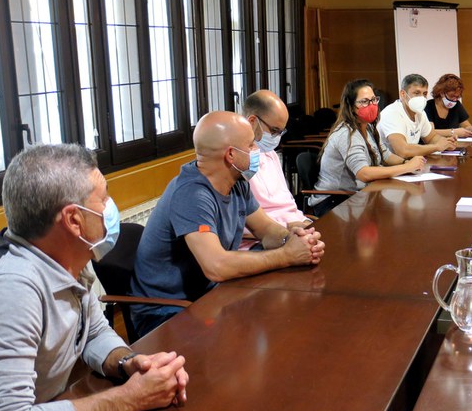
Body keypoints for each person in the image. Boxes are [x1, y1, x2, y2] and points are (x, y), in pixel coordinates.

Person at [0, 144, 189, 411]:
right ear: (73, 220)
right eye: (103, 198)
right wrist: (130, 399)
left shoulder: (64, 258)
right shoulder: (14, 286)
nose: (110, 207)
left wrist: (129, 364)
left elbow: (92, 332)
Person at [131, 111, 324, 336]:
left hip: (208, 296)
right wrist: (287, 255)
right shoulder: (192, 195)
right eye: (251, 145)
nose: (257, 150)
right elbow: (216, 266)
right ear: (231, 155)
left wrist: (295, 240)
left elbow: (265, 229)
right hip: (166, 313)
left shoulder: (237, 182)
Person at [310, 79, 427, 217]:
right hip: (335, 201)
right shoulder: (347, 134)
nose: (371, 105)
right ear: (351, 106)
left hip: (359, 196)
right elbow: (364, 173)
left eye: (373, 100)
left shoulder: (368, 127)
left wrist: (407, 162)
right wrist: (406, 168)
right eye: (364, 101)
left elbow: (385, 155)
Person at [239, 90, 313, 250]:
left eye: (281, 132)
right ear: (252, 121)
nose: (277, 138)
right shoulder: (236, 162)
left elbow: (287, 203)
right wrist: (287, 229)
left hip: (291, 229)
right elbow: (242, 223)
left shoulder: (270, 153)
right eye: (274, 131)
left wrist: (305, 223)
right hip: (260, 241)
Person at [377, 73, 457, 158]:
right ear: (403, 94)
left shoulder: (420, 113)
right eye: (417, 93)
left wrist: (447, 142)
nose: (421, 98)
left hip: (410, 162)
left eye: (424, 94)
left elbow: (431, 138)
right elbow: (403, 151)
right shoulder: (392, 113)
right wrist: (436, 147)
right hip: (390, 164)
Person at [424, 74, 472, 139]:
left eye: (457, 97)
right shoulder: (428, 106)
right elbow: (430, 132)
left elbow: (466, 126)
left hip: (454, 144)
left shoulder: (457, 105)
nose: (454, 100)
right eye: (452, 96)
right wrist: (453, 132)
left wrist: (471, 129)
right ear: (442, 93)